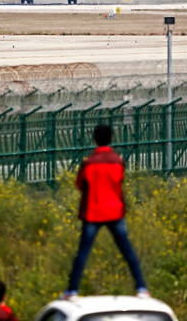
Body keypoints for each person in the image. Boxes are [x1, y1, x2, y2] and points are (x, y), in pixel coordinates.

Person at [62, 124, 149, 300]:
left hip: (93, 212)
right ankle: (141, 287)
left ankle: (72, 291)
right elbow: (120, 181)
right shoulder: (118, 161)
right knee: (127, 250)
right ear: (111, 138)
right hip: (115, 211)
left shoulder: (88, 163)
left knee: (83, 252)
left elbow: (80, 185)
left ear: (94, 140)